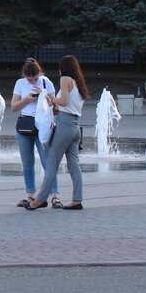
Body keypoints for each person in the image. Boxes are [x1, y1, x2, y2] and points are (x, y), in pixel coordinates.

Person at [26, 55, 90, 211]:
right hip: (75, 127)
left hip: (65, 124)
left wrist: (51, 99)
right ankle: (77, 199)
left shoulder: (65, 79)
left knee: (52, 162)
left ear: (64, 68)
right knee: (74, 164)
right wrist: (47, 95)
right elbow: (69, 103)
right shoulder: (79, 83)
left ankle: (40, 199)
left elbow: (63, 102)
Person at [10, 59, 60, 208]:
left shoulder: (46, 82)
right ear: (24, 76)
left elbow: (55, 106)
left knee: (47, 162)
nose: (32, 81)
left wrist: (43, 94)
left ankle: (55, 195)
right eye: (29, 79)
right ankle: (31, 194)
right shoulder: (20, 83)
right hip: (25, 124)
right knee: (27, 163)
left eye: (35, 78)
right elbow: (13, 106)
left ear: (40, 74)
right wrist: (26, 99)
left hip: (42, 126)